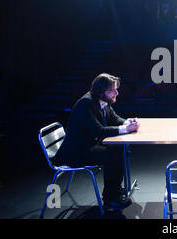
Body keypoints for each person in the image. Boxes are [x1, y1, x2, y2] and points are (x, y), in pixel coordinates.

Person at [54, 73, 140, 210]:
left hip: (88, 145)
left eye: (116, 89)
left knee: (119, 149)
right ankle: (110, 199)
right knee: (113, 155)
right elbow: (99, 131)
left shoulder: (103, 100)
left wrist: (127, 122)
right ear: (101, 92)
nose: (116, 93)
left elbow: (114, 118)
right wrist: (126, 129)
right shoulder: (86, 103)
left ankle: (115, 190)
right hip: (76, 152)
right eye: (112, 90)